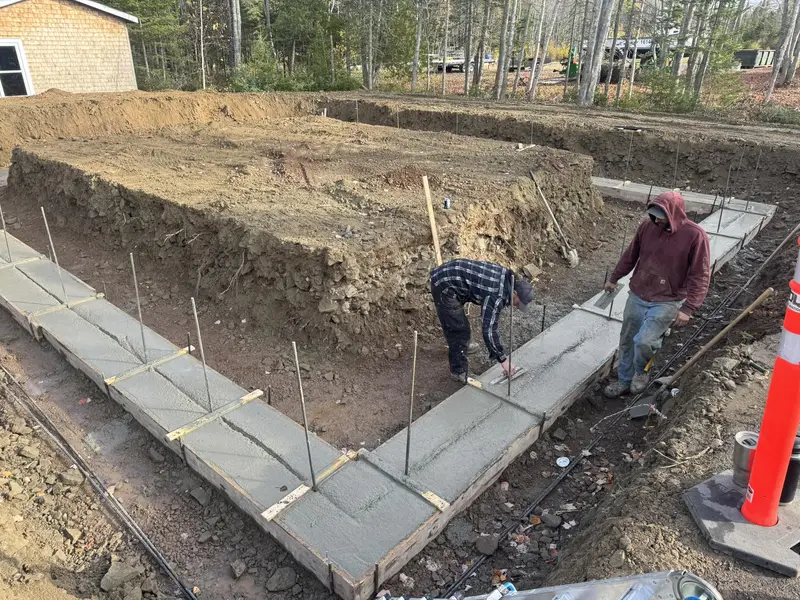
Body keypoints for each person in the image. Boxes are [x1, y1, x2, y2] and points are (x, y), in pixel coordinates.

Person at [603, 191, 710, 398]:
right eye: (654, 214)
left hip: (667, 299)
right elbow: (631, 254)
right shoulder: (647, 227)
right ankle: (624, 380)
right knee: (627, 339)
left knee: (644, 341)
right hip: (639, 292)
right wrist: (615, 277)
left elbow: (701, 274)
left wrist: (688, 308)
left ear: (674, 213)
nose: (656, 219)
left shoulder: (695, 235)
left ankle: (642, 372)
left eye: (661, 215)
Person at [430, 258, 535, 382]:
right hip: (444, 284)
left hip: (453, 276)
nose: (516, 307)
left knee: (460, 325)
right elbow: (488, 330)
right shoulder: (497, 294)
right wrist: (504, 361)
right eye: (518, 303)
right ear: (515, 293)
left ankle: (463, 346)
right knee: (458, 331)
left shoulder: (506, 277)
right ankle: (458, 372)